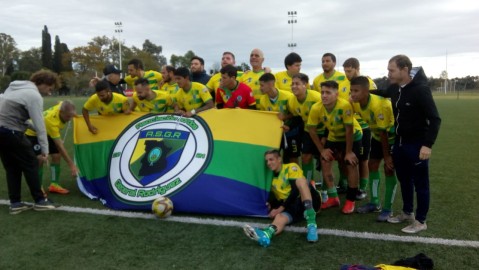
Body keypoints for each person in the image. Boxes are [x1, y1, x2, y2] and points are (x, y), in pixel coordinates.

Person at [373, 55, 441, 233]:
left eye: (391, 70)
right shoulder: (395, 88)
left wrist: (427, 145)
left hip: (418, 145)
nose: (388, 74)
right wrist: (364, 92)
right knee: (404, 180)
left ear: (404, 70)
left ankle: (420, 221)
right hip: (400, 144)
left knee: (421, 184)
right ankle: (407, 212)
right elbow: (383, 93)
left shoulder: (420, 89)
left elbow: (435, 119)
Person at [0, 70, 61, 213]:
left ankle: (15, 203)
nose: (49, 93)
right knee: (31, 162)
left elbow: (15, 114)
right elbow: (40, 127)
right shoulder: (33, 95)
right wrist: (45, 151)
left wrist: (30, 126)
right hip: (12, 132)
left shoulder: (13, 89)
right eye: (49, 89)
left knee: (12, 168)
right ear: (43, 83)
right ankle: (40, 200)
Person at [243, 149, 320, 247]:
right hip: (294, 206)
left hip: (310, 200)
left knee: (301, 181)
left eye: (271, 159)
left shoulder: (291, 167)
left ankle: (312, 224)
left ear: (279, 159)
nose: (268, 163)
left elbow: (295, 191)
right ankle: (267, 234)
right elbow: (281, 198)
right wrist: (271, 204)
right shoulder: (271, 179)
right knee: (279, 217)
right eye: (267, 161)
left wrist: (280, 208)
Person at [307, 80, 363, 214]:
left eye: (328, 92)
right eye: (322, 92)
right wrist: (322, 150)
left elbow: (349, 130)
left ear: (336, 94)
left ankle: (350, 200)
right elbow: (312, 130)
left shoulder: (344, 106)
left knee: (350, 163)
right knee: (325, 161)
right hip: (334, 137)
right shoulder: (316, 107)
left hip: (353, 136)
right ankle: (333, 198)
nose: (324, 95)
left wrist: (348, 152)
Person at [350, 76, 397, 221]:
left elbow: (384, 132)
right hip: (377, 136)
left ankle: (388, 209)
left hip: (392, 138)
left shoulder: (379, 105)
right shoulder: (356, 103)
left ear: (366, 91)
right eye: (351, 90)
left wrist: (388, 156)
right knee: (372, 165)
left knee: (389, 169)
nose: (352, 94)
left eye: (356, 91)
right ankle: (375, 203)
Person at [340, 57, 378, 199]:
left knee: (362, 159)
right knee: (346, 158)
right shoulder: (343, 83)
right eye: (345, 71)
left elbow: (374, 102)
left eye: (349, 71)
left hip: (363, 127)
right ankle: (347, 184)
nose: (347, 74)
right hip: (348, 126)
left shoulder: (369, 83)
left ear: (357, 68)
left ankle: (362, 188)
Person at [25, 100, 79, 194]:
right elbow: (59, 146)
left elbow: (60, 102)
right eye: (68, 116)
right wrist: (72, 165)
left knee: (56, 156)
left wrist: (73, 114)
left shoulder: (62, 106)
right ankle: (38, 187)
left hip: (47, 132)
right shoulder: (52, 122)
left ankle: (54, 185)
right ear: (61, 112)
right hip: (33, 133)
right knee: (40, 159)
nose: (69, 119)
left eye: (71, 116)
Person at [281, 73, 322, 186]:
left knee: (325, 161)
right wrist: (289, 126)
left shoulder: (316, 97)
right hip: (309, 131)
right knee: (305, 158)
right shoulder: (292, 101)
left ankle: (328, 190)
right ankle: (309, 185)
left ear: (305, 85)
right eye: (292, 84)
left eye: (297, 84)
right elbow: (297, 117)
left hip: (324, 131)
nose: (293, 86)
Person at [258, 73, 301, 164]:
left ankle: (294, 177)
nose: (260, 88)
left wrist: (285, 117)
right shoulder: (263, 100)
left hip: (290, 132)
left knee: (292, 158)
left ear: (271, 84)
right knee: (272, 157)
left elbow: (297, 114)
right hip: (275, 133)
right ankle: (278, 177)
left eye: (262, 85)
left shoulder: (288, 96)